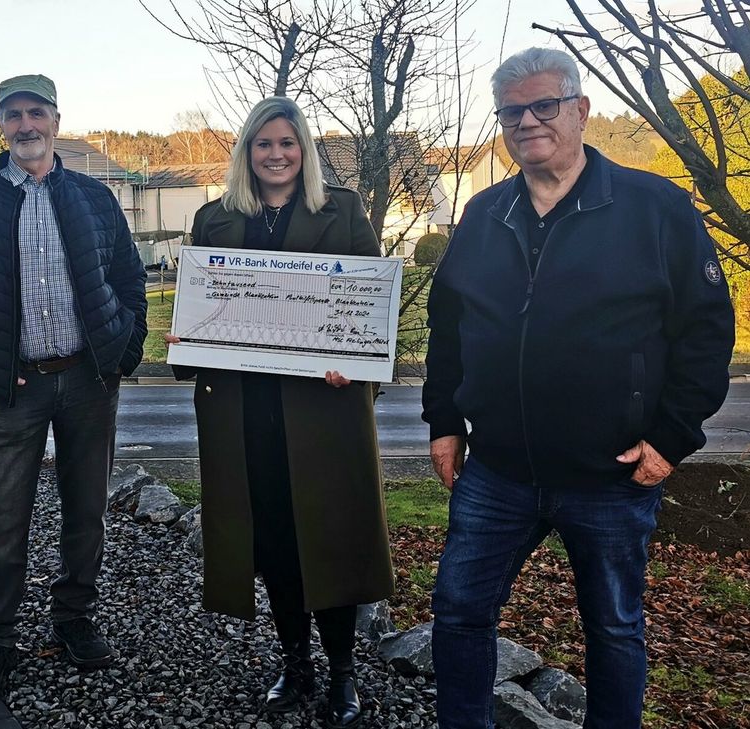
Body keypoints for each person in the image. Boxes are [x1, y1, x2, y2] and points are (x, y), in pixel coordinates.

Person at [422, 47, 734, 729]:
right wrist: (443, 419)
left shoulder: (654, 208)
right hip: (497, 471)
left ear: (580, 110)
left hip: (611, 473)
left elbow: (707, 330)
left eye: (543, 106)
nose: (527, 122)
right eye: (511, 112)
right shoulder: (483, 215)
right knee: (458, 611)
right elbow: (445, 324)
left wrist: (671, 436)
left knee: (614, 629)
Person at [166, 96, 394, 728]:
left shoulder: (342, 211)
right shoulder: (215, 219)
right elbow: (201, 308)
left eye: (287, 144)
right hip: (245, 416)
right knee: (272, 543)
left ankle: (342, 673)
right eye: (263, 144)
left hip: (322, 412)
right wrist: (188, 340)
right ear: (246, 152)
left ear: (305, 151)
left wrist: (356, 359)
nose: (276, 155)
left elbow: (370, 307)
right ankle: (296, 665)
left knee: (330, 537)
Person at [0, 74, 148, 700]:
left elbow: (129, 279)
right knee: (0, 520)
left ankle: (73, 619)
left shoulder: (93, 197)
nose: (26, 125)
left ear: (56, 119)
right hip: (12, 387)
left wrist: (122, 351)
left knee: (86, 513)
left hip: (87, 380)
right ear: (1, 124)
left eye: (37, 113)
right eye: (14, 114)